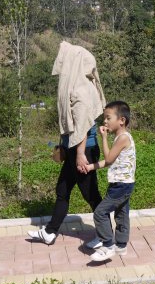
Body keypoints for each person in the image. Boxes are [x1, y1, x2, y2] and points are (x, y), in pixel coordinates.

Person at [27, 41, 106, 247]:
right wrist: (64, 146)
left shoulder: (82, 90)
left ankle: (106, 236)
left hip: (84, 150)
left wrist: (79, 154)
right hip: (74, 149)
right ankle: (51, 232)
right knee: (62, 190)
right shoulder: (76, 86)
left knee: (91, 194)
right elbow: (71, 125)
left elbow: (83, 126)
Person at [83, 101, 136, 262]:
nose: (105, 121)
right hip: (123, 183)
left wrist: (104, 138)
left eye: (108, 118)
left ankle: (108, 245)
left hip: (121, 185)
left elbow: (108, 158)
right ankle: (121, 245)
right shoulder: (121, 138)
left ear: (121, 120)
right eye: (104, 118)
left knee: (100, 213)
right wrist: (91, 166)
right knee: (121, 214)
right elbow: (109, 161)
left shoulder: (122, 138)